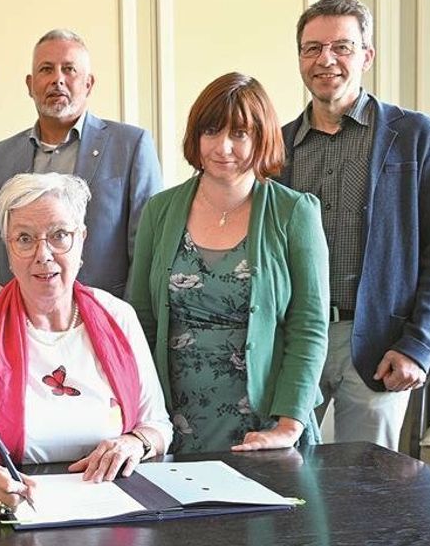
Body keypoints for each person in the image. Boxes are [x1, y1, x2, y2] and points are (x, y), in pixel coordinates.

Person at [0, 172, 172, 515]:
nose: (43, 254)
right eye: (25, 238)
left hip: (114, 509)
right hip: (13, 511)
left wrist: (134, 442)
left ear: (81, 239)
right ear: (8, 247)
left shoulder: (119, 316)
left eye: (59, 236)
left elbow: (157, 424)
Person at [280, 0, 430, 449]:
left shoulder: (417, 135)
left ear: (367, 55)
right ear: (300, 58)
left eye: (342, 46)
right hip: (295, 343)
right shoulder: (276, 146)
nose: (326, 60)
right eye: (312, 48)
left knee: (369, 492)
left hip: (381, 343)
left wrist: (418, 344)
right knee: (286, 478)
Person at [128, 72, 329, 454]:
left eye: (239, 133)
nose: (223, 147)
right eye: (211, 130)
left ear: (262, 137)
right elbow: (140, 319)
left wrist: (289, 424)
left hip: (265, 419)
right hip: (172, 420)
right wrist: (140, 419)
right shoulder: (160, 210)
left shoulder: (294, 212)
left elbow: (310, 326)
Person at [0, 29, 161, 299]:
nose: (57, 79)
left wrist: (126, 320)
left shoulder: (131, 145)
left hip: (102, 313)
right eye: (46, 69)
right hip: (19, 320)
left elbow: (147, 249)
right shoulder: (1, 155)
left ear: (88, 83)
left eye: (69, 69)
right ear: (30, 84)